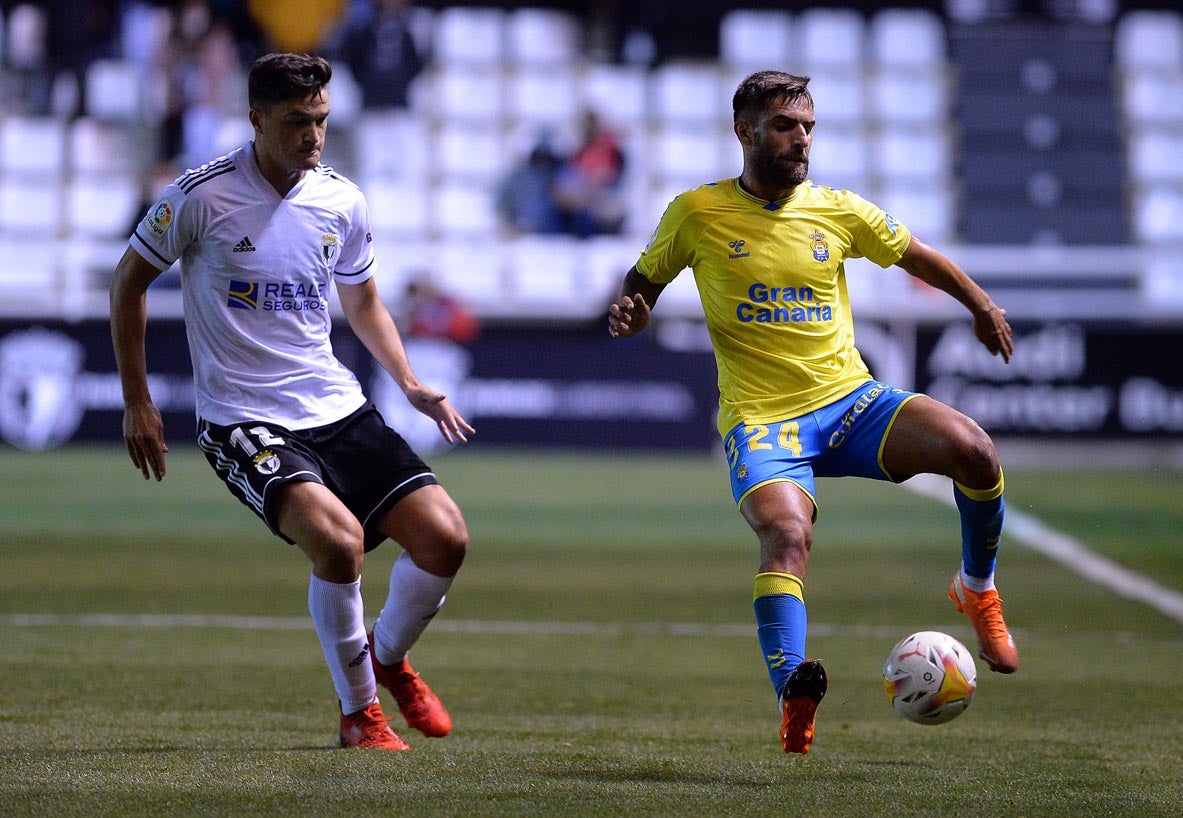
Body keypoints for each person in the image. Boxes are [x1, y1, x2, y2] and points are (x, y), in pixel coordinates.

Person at [607, 71, 1018, 756]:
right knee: (785, 537)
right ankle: (792, 694)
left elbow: (919, 255)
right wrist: (629, 311)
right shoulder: (696, 213)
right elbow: (641, 284)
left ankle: (976, 587)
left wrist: (980, 305)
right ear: (744, 132)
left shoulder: (837, 209)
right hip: (763, 421)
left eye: (807, 127)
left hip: (849, 403)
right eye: (784, 126)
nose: (801, 140)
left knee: (973, 449)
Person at [110, 53, 475, 752]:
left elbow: (362, 299)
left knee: (445, 539)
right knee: (339, 546)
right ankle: (359, 714)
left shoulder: (341, 199)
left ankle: (388, 659)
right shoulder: (200, 196)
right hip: (243, 416)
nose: (313, 136)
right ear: (256, 121)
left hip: (335, 404)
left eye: (321, 121)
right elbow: (127, 283)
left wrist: (406, 382)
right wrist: (138, 400)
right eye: (296, 122)